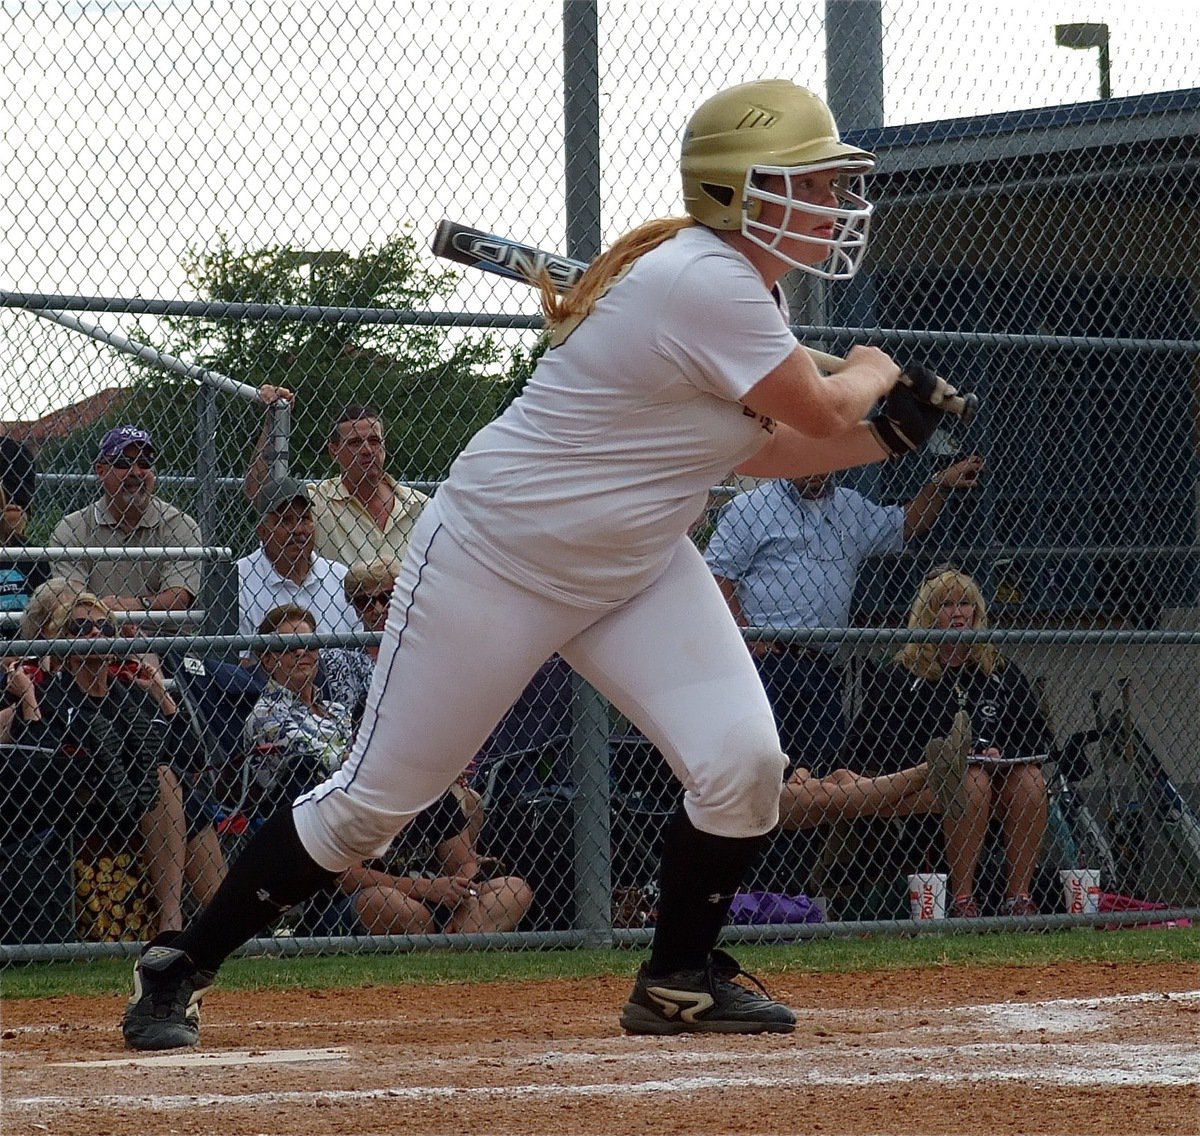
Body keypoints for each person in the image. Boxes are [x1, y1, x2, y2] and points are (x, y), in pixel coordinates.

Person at [122, 78, 967, 1049]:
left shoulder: (743, 296)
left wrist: (888, 434)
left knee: (743, 762)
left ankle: (680, 978)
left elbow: (765, 447)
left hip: (638, 564)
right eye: (812, 184)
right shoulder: (704, 279)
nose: (833, 203)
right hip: (495, 564)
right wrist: (871, 371)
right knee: (372, 806)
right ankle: (182, 961)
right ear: (745, 189)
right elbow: (821, 407)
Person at [244, 604, 532, 937]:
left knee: (514, 890)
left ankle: (452, 952)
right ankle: (452, 947)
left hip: (421, 877)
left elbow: (463, 858)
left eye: (309, 644)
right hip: (345, 880)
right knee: (393, 905)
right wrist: (428, 887)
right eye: (288, 646)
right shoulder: (266, 719)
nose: (302, 652)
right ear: (266, 659)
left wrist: (461, 885)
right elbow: (324, 775)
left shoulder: (339, 711)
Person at [706, 459, 983, 772]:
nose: (815, 470)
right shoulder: (751, 508)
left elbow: (906, 524)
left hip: (823, 663)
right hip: (767, 661)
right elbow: (715, 575)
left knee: (822, 766)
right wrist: (749, 638)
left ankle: (812, 819)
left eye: (823, 460)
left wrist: (939, 484)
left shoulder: (850, 507)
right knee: (765, 763)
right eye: (805, 459)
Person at [5, 593, 226, 936]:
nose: (96, 633)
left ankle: (224, 923)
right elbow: (38, 773)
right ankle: (175, 921)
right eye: (82, 627)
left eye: (105, 627)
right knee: (162, 782)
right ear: (62, 641)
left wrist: (163, 699)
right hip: (78, 805)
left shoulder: (130, 692)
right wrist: (30, 703)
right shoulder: (51, 695)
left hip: (134, 800)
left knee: (183, 795)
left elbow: (193, 759)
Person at [842, 567, 1051, 918]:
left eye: (966, 604)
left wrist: (1001, 753)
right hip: (923, 782)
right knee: (970, 782)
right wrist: (945, 760)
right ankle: (963, 900)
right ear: (927, 615)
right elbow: (869, 747)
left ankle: (1019, 898)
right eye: (946, 605)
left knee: (1030, 780)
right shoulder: (902, 675)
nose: (958, 613)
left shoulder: (999, 672)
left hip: (993, 779)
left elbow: (1036, 736)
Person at [245, 401, 428, 567]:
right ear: (334, 451)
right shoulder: (318, 501)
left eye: (374, 441)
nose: (367, 450)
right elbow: (260, 494)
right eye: (355, 443)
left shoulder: (420, 506)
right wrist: (273, 419)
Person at [49, 426, 203, 616]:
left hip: (164, 638)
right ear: (101, 470)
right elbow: (72, 600)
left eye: (145, 462)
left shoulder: (179, 524)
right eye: (124, 462)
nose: (136, 472)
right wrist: (112, 623)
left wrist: (134, 607)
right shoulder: (72, 528)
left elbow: (179, 596)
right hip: (95, 637)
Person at [236, 476, 359, 650]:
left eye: (304, 518)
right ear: (262, 532)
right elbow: (241, 664)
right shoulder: (239, 579)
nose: (298, 530)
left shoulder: (340, 576)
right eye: (285, 521)